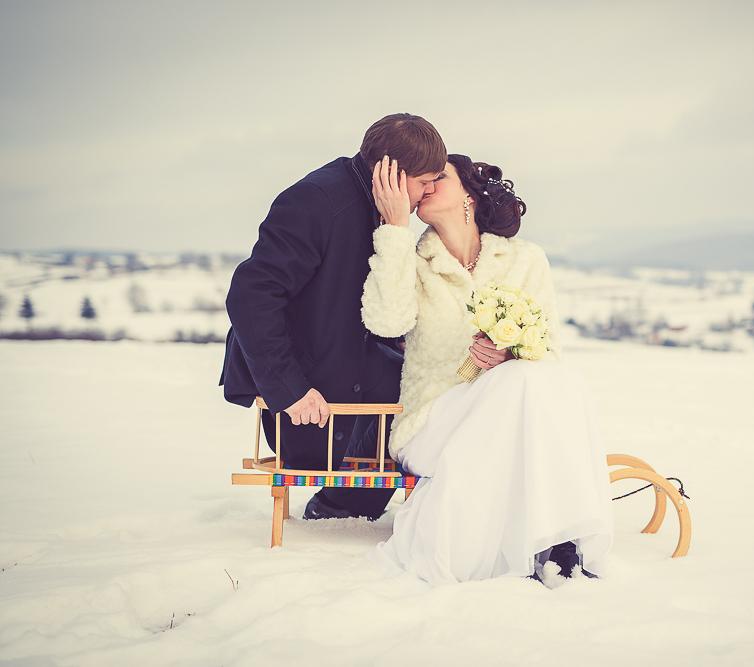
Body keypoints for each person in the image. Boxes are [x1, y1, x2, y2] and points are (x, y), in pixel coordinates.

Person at [360, 153, 614, 585]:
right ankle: (553, 544)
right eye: (422, 179)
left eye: (439, 177)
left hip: (510, 415)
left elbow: (550, 352)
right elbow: (385, 322)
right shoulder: (411, 260)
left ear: (470, 197)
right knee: (521, 382)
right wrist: (395, 229)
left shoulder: (527, 260)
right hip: (431, 422)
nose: (425, 185)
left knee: (552, 379)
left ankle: (555, 542)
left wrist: (510, 356)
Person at [219, 113, 447, 522]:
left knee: (429, 386)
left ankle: (357, 509)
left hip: (350, 358)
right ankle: (338, 512)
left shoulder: (382, 206)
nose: (430, 191)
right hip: (304, 376)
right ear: (391, 174)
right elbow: (251, 296)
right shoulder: (315, 201)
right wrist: (291, 390)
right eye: (425, 181)